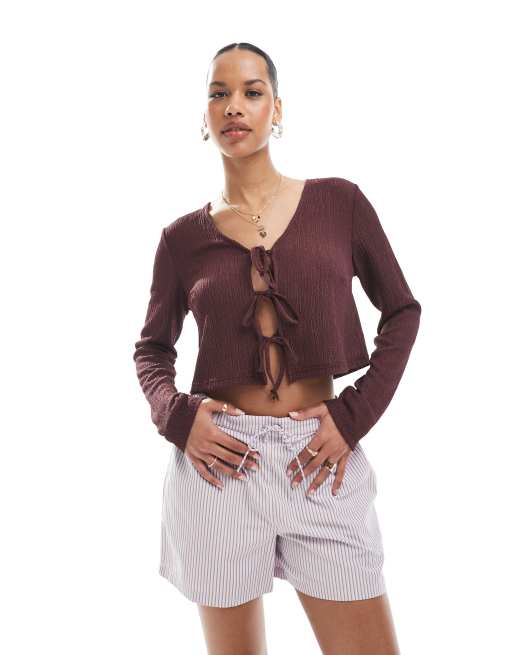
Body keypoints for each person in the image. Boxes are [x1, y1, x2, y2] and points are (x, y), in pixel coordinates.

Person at [133, 42, 421, 655]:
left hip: (320, 460)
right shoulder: (181, 239)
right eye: (218, 94)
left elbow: (402, 311)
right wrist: (179, 418)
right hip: (220, 467)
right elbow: (152, 350)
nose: (233, 106)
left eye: (251, 91)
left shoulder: (339, 203)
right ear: (205, 115)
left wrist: (353, 415)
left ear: (277, 109)